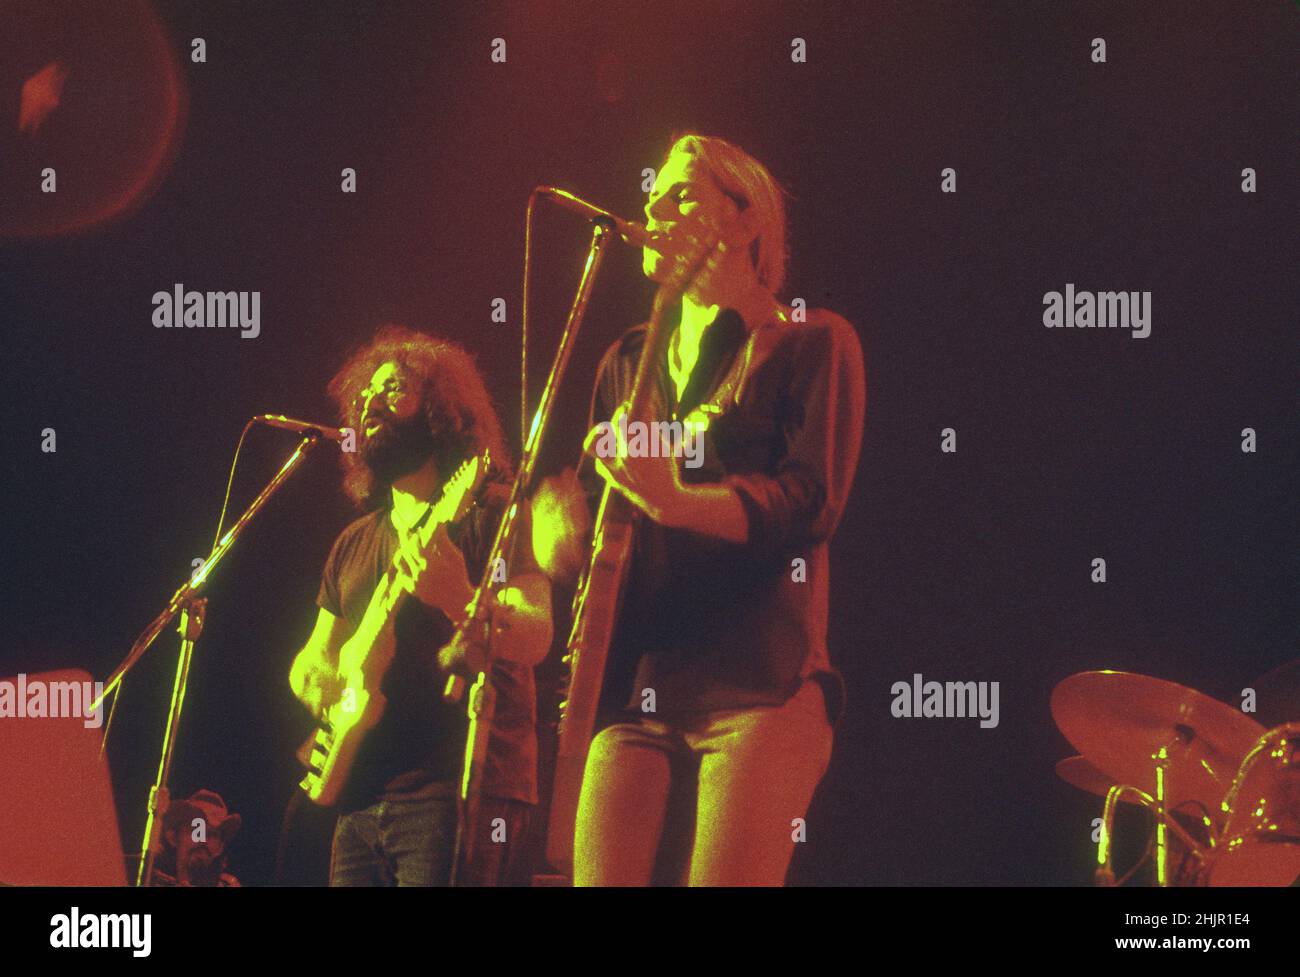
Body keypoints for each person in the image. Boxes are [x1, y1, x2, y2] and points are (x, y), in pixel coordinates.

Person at [534, 134, 866, 885]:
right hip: (638, 684)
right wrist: (558, 530)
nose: (654, 207)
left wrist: (678, 499)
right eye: (652, 196)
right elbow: (597, 522)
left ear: (748, 220)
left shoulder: (813, 342)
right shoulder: (625, 361)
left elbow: (809, 503)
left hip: (759, 683)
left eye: (683, 193)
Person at [289, 324, 552, 885]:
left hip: (454, 792)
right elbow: (310, 659)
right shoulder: (354, 541)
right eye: (365, 396)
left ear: (441, 411)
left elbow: (536, 634)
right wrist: (316, 683)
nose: (369, 404)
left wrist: (458, 597)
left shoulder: (489, 512)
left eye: (391, 391)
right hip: (357, 798)